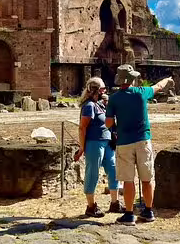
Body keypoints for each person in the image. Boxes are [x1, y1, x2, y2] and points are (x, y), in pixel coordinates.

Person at [106, 65, 174, 225]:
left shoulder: (114, 98)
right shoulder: (141, 93)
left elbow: (108, 122)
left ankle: (129, 214)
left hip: (124, 142)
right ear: (132, 79)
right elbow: (158, 87)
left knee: (128, 180)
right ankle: (148, 211)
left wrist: (116, 128)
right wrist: (168, 79)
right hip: (143, 140)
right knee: (146, 178)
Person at [74, 77, 121, 217]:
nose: (105, 90)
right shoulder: (89, 106)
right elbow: (82, 128)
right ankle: (91, 206)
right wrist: (82, 148)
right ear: (95, 90)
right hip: (94, 142)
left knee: (113, 171)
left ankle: (115, 203)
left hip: (107, 143)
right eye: (102, 88)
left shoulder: (101, 104)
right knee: (92, 173)